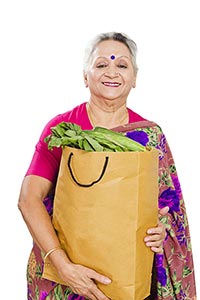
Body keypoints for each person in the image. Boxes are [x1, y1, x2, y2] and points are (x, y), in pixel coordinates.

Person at [18, 32, 196, 300]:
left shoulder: (149, 136)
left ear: (134, 78)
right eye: (101, 65)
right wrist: (63, 265)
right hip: (67, 277)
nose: (112, 72)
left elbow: (169, 209)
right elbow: (28, 199)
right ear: (85, 76)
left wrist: (162, 232)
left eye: (122, 65)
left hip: (130, 278)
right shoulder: (63, 130)